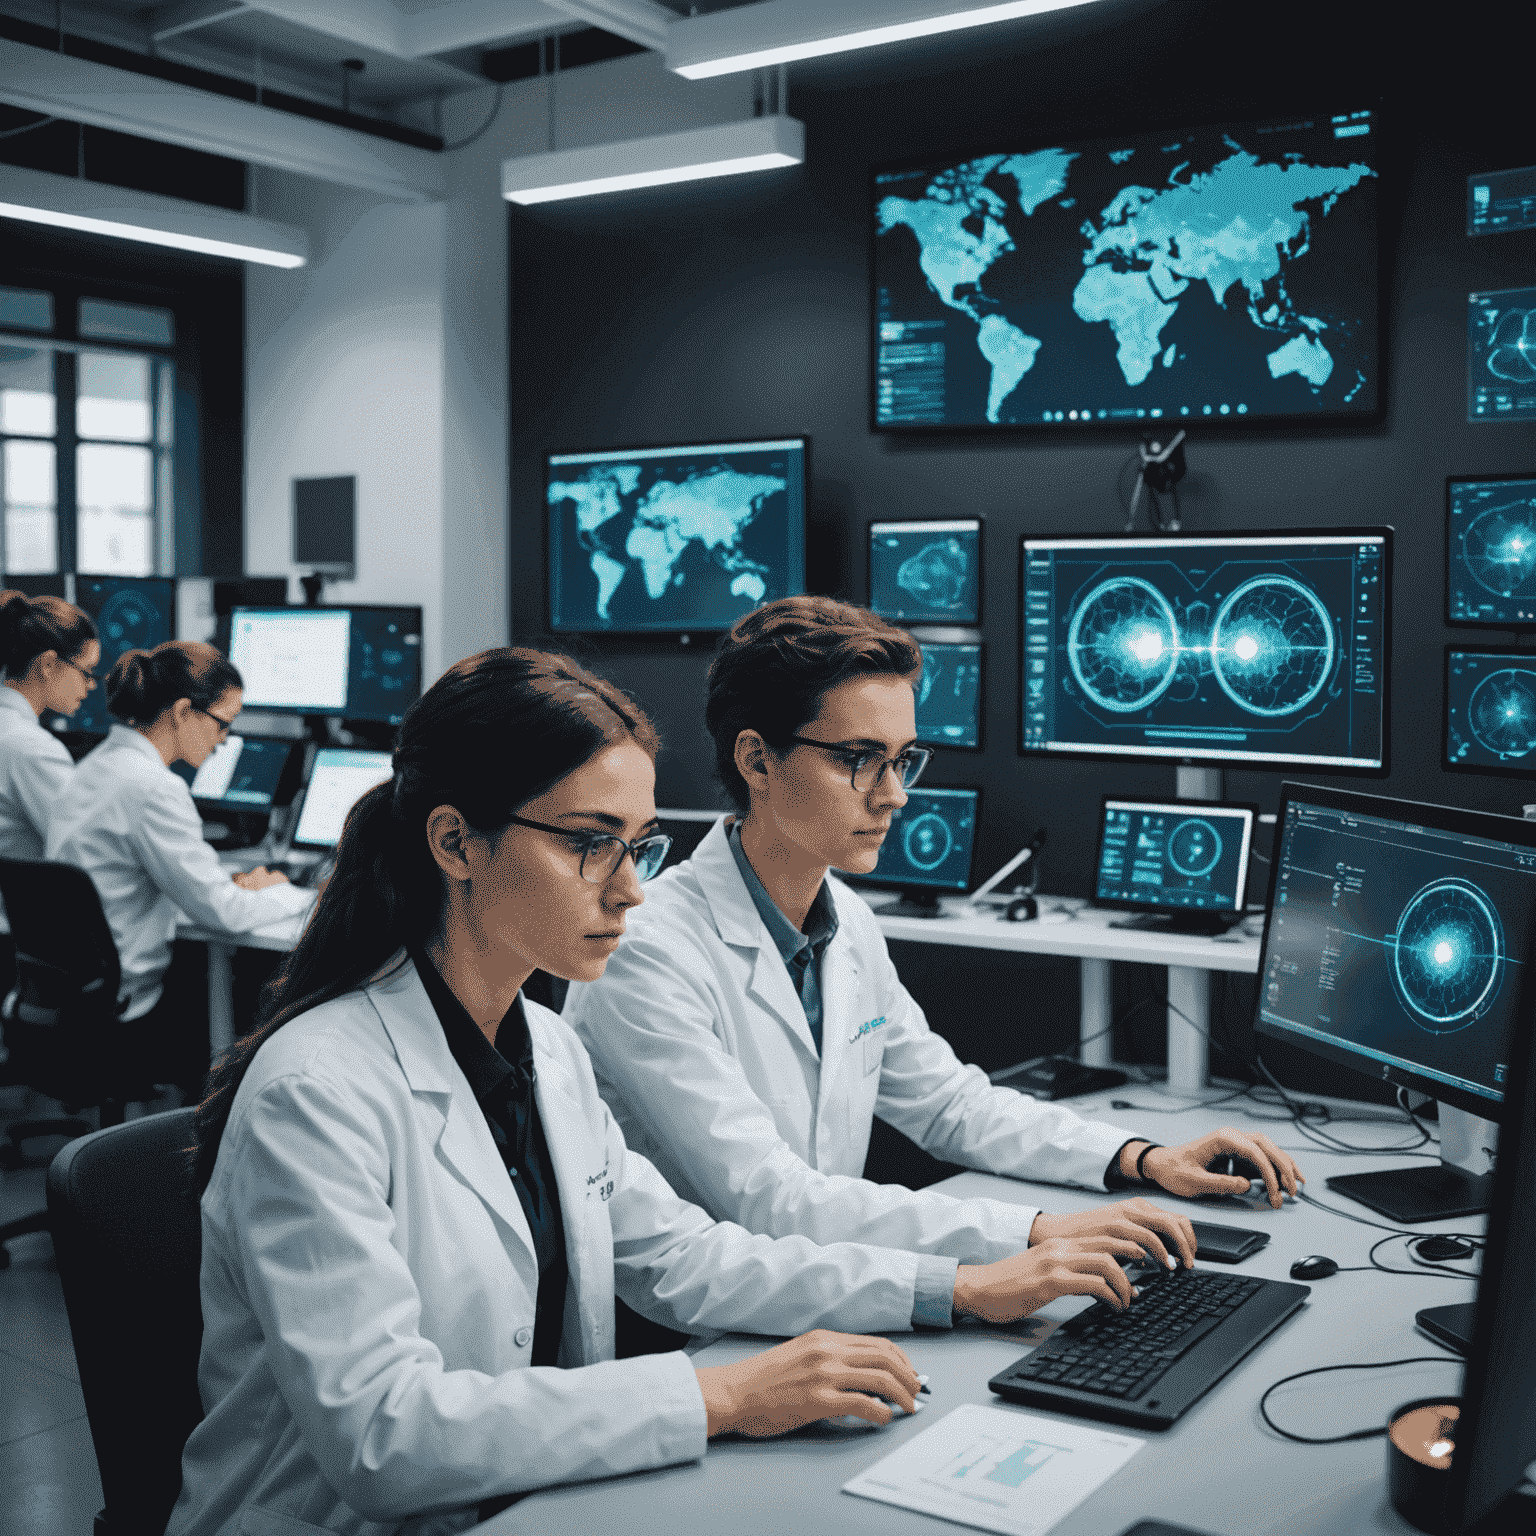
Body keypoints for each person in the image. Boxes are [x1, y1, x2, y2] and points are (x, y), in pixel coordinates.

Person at [170, 648, 1153, 1536]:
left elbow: (689, 1260)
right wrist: (722, 1399)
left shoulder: (543, 1048)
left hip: (535, 1498)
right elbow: (385, 1438)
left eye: (639, 845)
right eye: (591, 843)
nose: (632, 889)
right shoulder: (317, 1090)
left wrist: (957, 1292)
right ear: (455, 843)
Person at [565, 597, 1304, 1299]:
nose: (894, 795)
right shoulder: (647, 949)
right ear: (757, 760)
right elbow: (772, 1199)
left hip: (837, 1287)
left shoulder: (844, 921)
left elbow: (950, 1106)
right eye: (859, 758)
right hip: (702, 1327)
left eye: (902, 759)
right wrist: (1042, 1231)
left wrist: (1139, 1159)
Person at [46, 641, 313, 1093]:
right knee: (260, 992)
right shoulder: (152, 788)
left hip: (71, 993)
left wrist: (232, 888)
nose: (225, 739)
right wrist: (295, 893)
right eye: (223, 724)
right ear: (184, 711)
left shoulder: (95, 768)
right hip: (128, 1008)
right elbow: (223, 914)